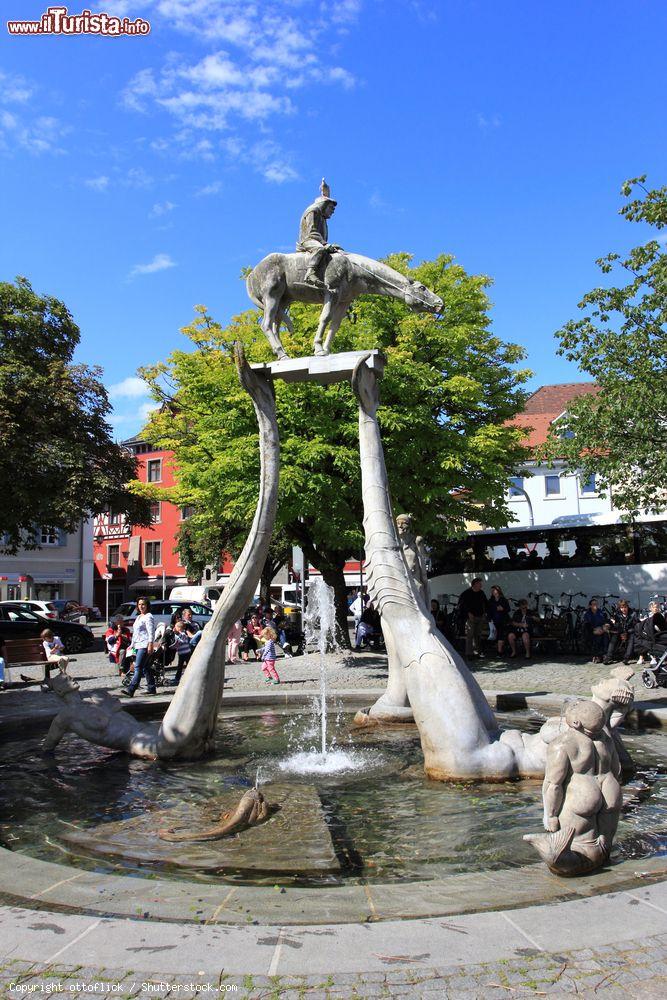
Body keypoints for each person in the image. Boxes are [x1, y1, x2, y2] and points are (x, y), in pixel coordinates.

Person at [296, 178, 342, 288]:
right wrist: (325, 244)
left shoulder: (322, 217)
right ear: (324, 205)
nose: (332, 211)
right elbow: (312, 232)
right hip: (307, 240)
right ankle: (310, 273)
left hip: (316, 240)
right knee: (320, 249)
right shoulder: (313, 211)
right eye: (331, 208)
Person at [121, 597, 156, 697]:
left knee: (138, 667)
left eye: (143, 604)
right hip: (137, 644)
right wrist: (131, 645)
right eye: (139, 604)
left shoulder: (148, 616)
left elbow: (151, 631)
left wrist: (150, 644)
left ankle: (131, 689)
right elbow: (136, 633)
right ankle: (151, 687)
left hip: (144, 645)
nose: (141, 606)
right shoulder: (139, 617)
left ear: (147, 605)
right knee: (146, 667)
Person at [458, 579, 488, 658]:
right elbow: (461, 605)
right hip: (470, 618)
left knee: (478, 635)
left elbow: (485, 603)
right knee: (470, 635)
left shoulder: (481, 593)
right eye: (480, 584)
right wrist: (468, 613)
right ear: (474, 584)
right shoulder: (466, 593)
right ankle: (469, 653)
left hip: (480, 616)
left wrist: (485, 613)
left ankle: (477, 652)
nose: (481, 586)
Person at [604, 600, 637, 665]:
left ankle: (626, 658)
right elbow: (616, 626)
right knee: (614, 637)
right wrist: (621, 632)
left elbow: (635, 626)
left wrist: (626, 633)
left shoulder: (633, 614)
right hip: (620, 632)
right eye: (621, 608)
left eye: (625, 607)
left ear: (627, 607)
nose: (623, 609)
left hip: (629, 632)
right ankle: (608, 657)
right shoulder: (617, 614)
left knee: (632, 637)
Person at [487, 585, 511, 656]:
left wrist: (502, 609)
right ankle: (499, 651)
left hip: (503, 620)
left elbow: (508, 609)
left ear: (498, 590)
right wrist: (489, 619)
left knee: (501, 635)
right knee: (496, 636)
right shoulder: (491, 600)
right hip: (494, 621)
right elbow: (488, 611)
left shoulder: (503, 600)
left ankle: (499, 652)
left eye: (494, 590)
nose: (492, 592)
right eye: (491, 591)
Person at [583, 598, 609, 663]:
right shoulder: (587, 614)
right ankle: (598, 656)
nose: (596, 605)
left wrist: (603, 628)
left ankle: (604, 655)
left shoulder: (600, 612)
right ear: (590, 606)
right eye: (594, 604)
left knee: (605, 636)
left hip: (601, 629)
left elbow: (604, 621)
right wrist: (594, 630)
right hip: (592, 631)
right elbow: (587, 625)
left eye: (596, 604)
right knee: (597, 637)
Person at [170, 620, 194, 685]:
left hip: (186, 653)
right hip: (181, 653)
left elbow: (180, 642)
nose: (175, 628)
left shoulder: (183, 634)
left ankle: (191, 677)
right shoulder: (181, 634)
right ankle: (177, 678)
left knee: (188, 665)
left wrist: (175, 636)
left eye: (176, 627)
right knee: (180, 666)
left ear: (179, 628)